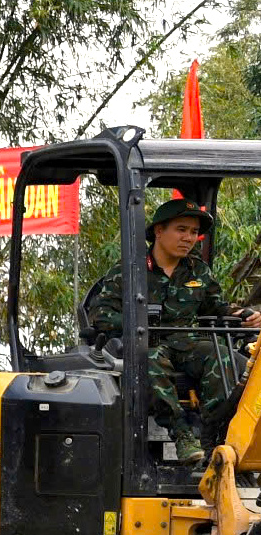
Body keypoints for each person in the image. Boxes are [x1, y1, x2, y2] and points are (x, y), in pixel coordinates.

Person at [92, 198, 259, 461]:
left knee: (220, 354)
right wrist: (136, 324)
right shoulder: (130, 271)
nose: (189, 238)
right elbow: (101, 315)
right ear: (159, 231)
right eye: (181, 229)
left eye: (194, 232)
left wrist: (243, 316)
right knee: (151, 358)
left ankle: (216, 434)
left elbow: (216, 308)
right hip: (145, 343)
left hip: (186, 342)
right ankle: (182, 436)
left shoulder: (199, 271)